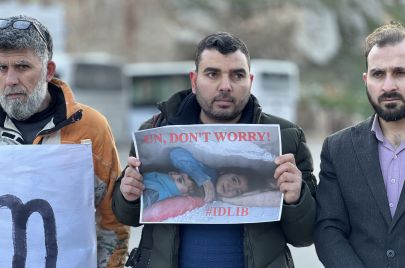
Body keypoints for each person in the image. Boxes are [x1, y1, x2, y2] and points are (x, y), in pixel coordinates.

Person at [112, 32, 317, 268]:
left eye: (237, 75)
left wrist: (297, 198)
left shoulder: (286, 137)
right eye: (212, 74)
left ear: (250, 81)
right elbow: (126, 215)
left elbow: (305, 235)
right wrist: (128, 195)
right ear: (194, 80)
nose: (226, 86)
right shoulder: (156, 130)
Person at [0, 15, 129, 267]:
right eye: (1, 68)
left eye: (22, 67)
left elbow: (111, 221)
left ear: (48, 70)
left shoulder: (90, 127)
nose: (10, 80)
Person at [314, 22, 405, 267]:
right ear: (366, 80)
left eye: (400, 72)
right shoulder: (337, 148)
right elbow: (328, 228)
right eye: (378, 74)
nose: (388, 86)